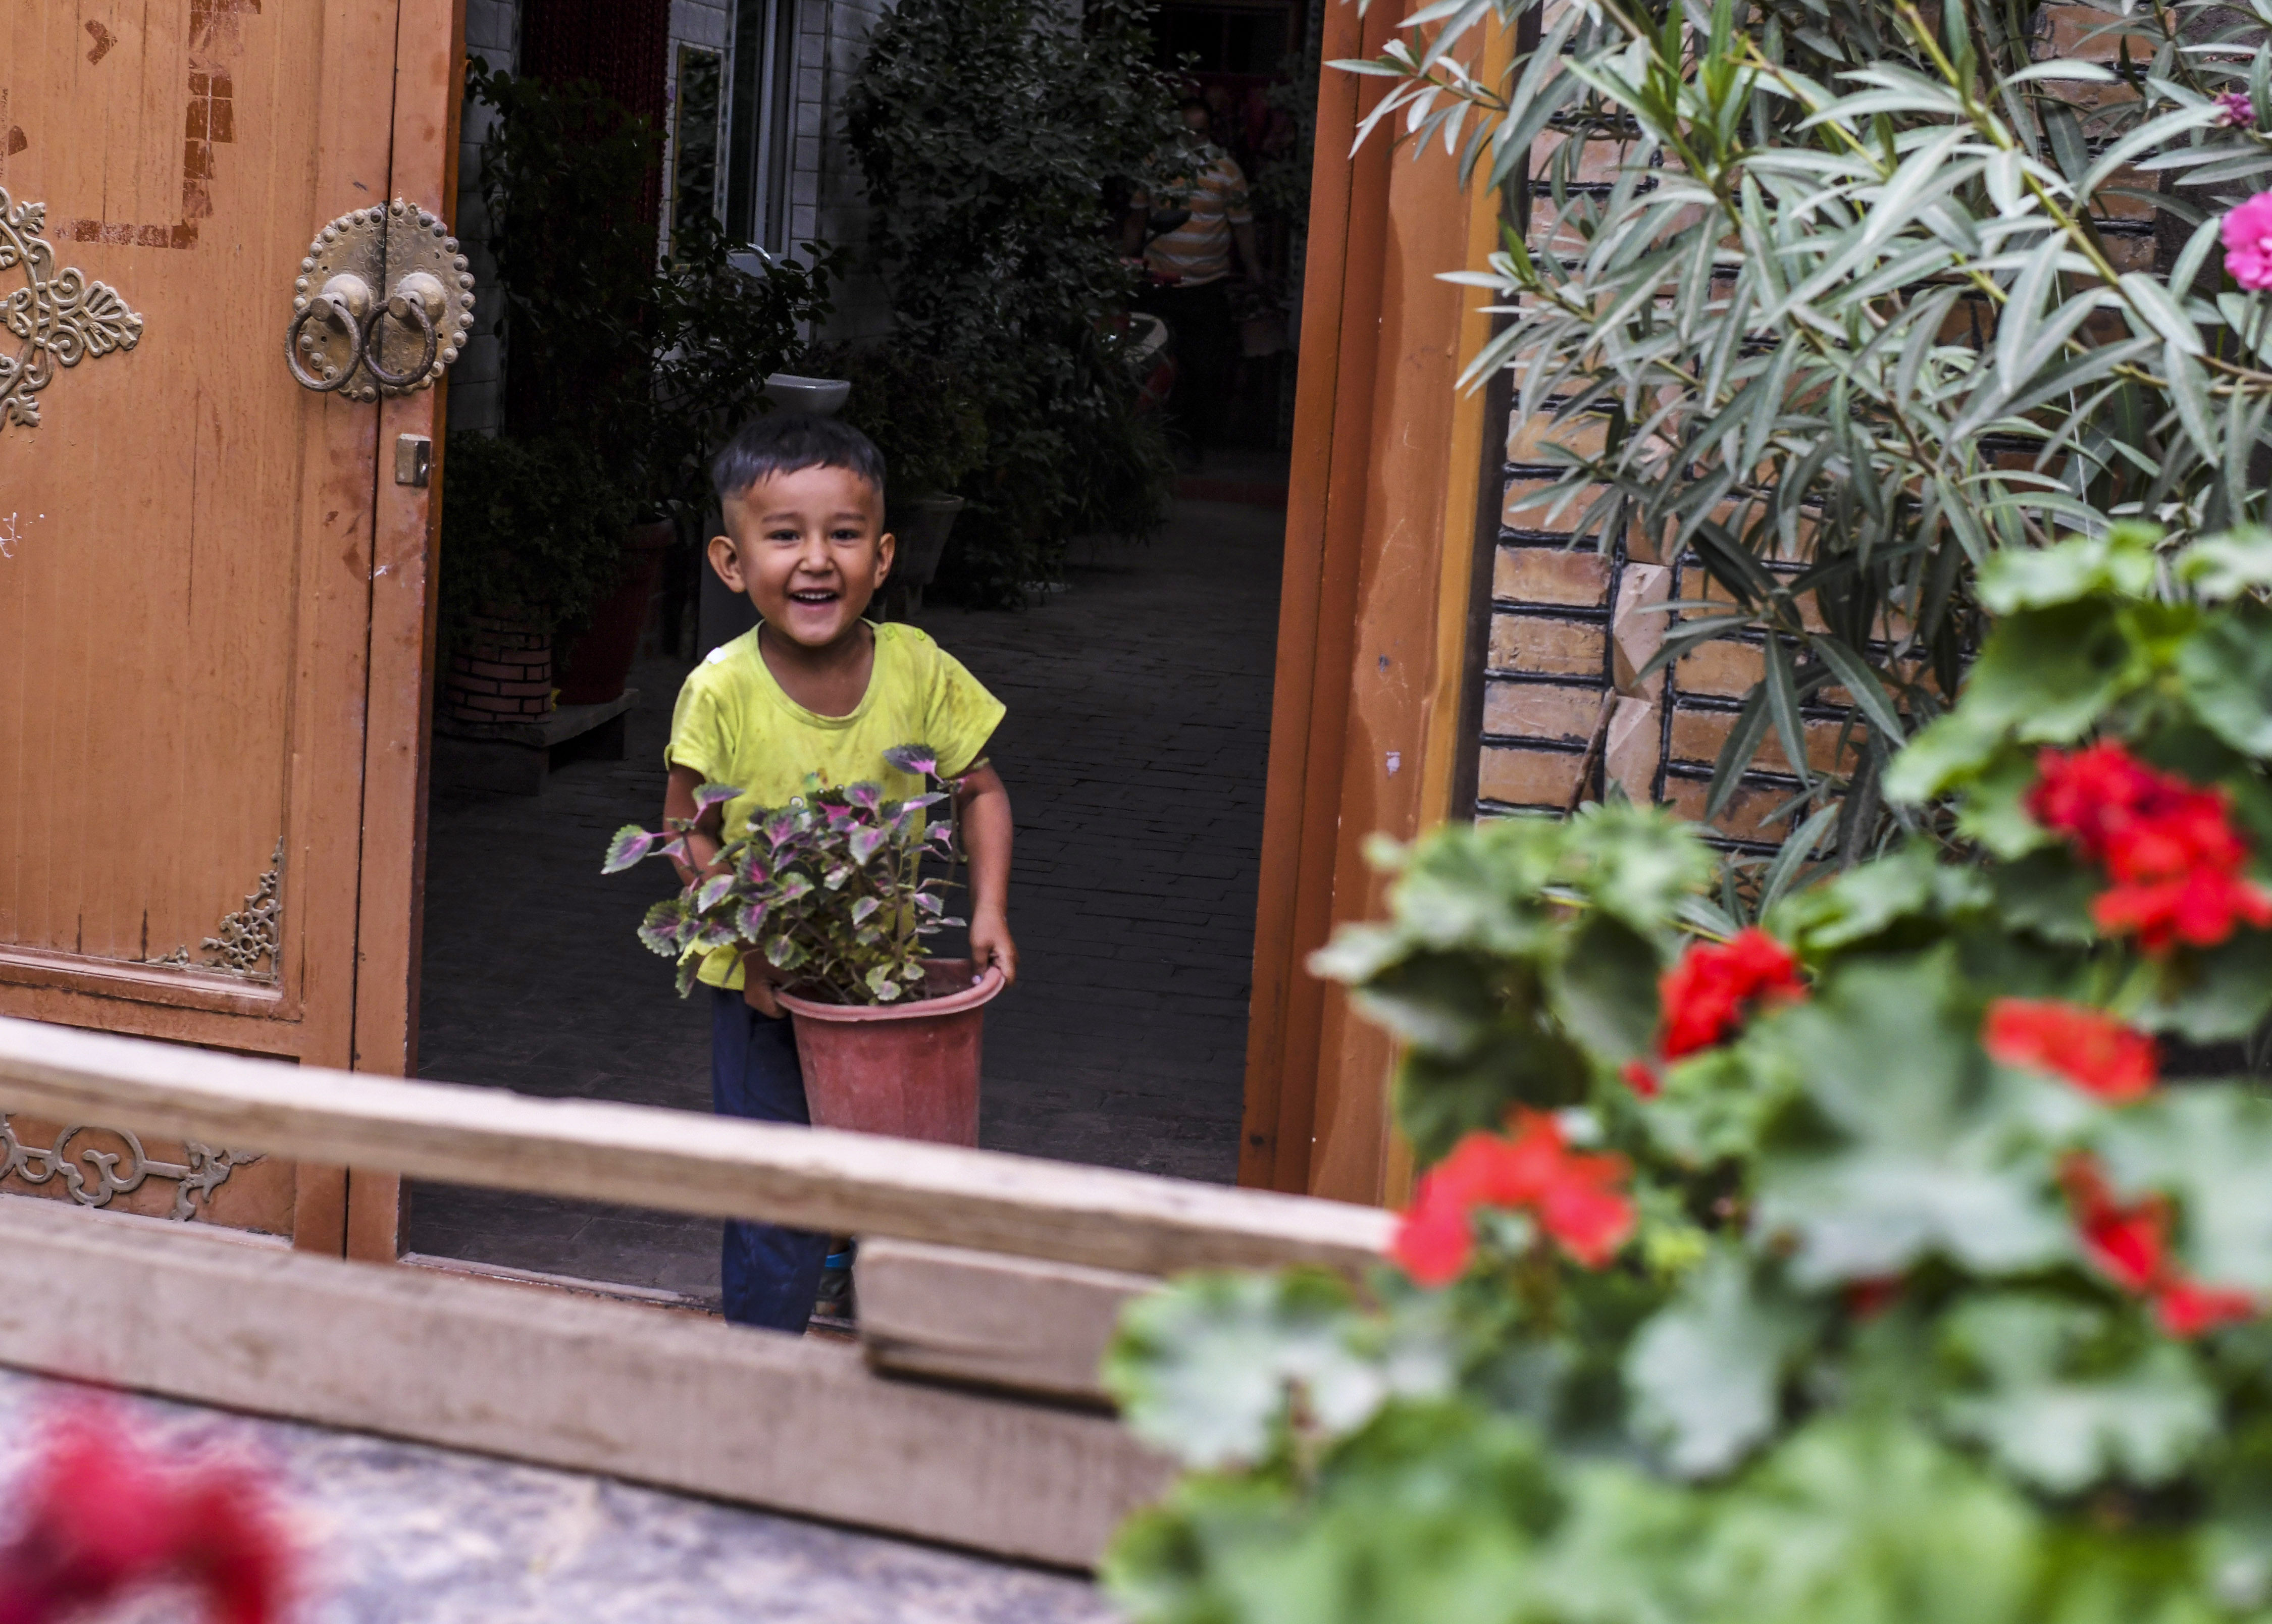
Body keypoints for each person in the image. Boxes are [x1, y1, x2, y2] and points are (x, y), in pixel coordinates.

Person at [662, 412, 1018, 1331]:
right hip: (765, 991)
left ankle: (877, 1316)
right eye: (785, 535)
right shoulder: (721, 689)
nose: (817, 560)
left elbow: (980, 790)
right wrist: (752, 946)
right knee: (775, 1191)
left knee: (900, 1180)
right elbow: (686, 832)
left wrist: (988, 909)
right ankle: (763, 1370)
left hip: (883, 987)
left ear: (884, 555)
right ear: (731, 562)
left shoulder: (918, 669)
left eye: (845, 535)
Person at [1124, 96, 1267, 456]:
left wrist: (1254, 271)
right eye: (1183, 134)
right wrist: (1123, 264)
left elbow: (1243, 227)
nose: (1190, 142)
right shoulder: (1153, 165)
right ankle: (1146, 443)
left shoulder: (1227, 171)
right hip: (1158, 284)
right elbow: (1137, 220)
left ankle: (1192, 444)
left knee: (1203, 369)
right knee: (1149, 365)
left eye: (1198, 134)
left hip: (1206, 288)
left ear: (1210, 133)